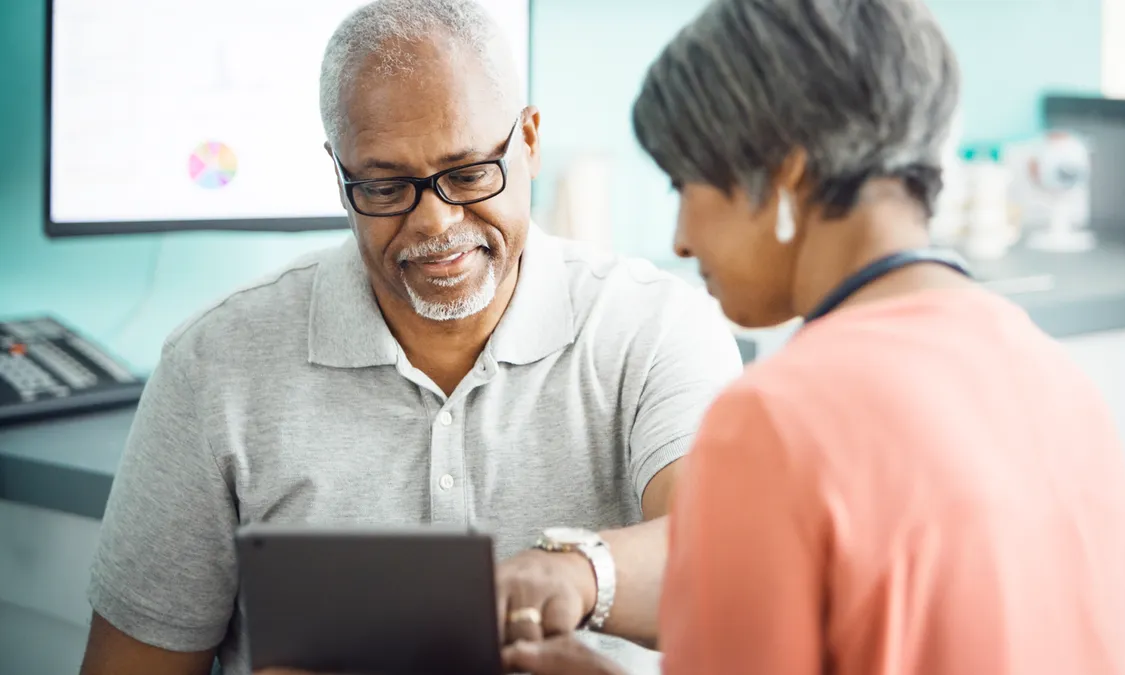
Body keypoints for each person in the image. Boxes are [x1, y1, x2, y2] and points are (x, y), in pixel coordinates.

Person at [77, 1, 742, 674]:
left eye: (469, 173)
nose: (436, 220)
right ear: (340, 177)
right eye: (387, 185)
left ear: (530, 141)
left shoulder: (655, 327)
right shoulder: (212, 366)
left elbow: (728, 569)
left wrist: (581, 574)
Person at [504, 0, 1125, 674]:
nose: (681, 238)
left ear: (786, 171)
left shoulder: (773, 422)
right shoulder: (1062, 383)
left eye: (683, 185)